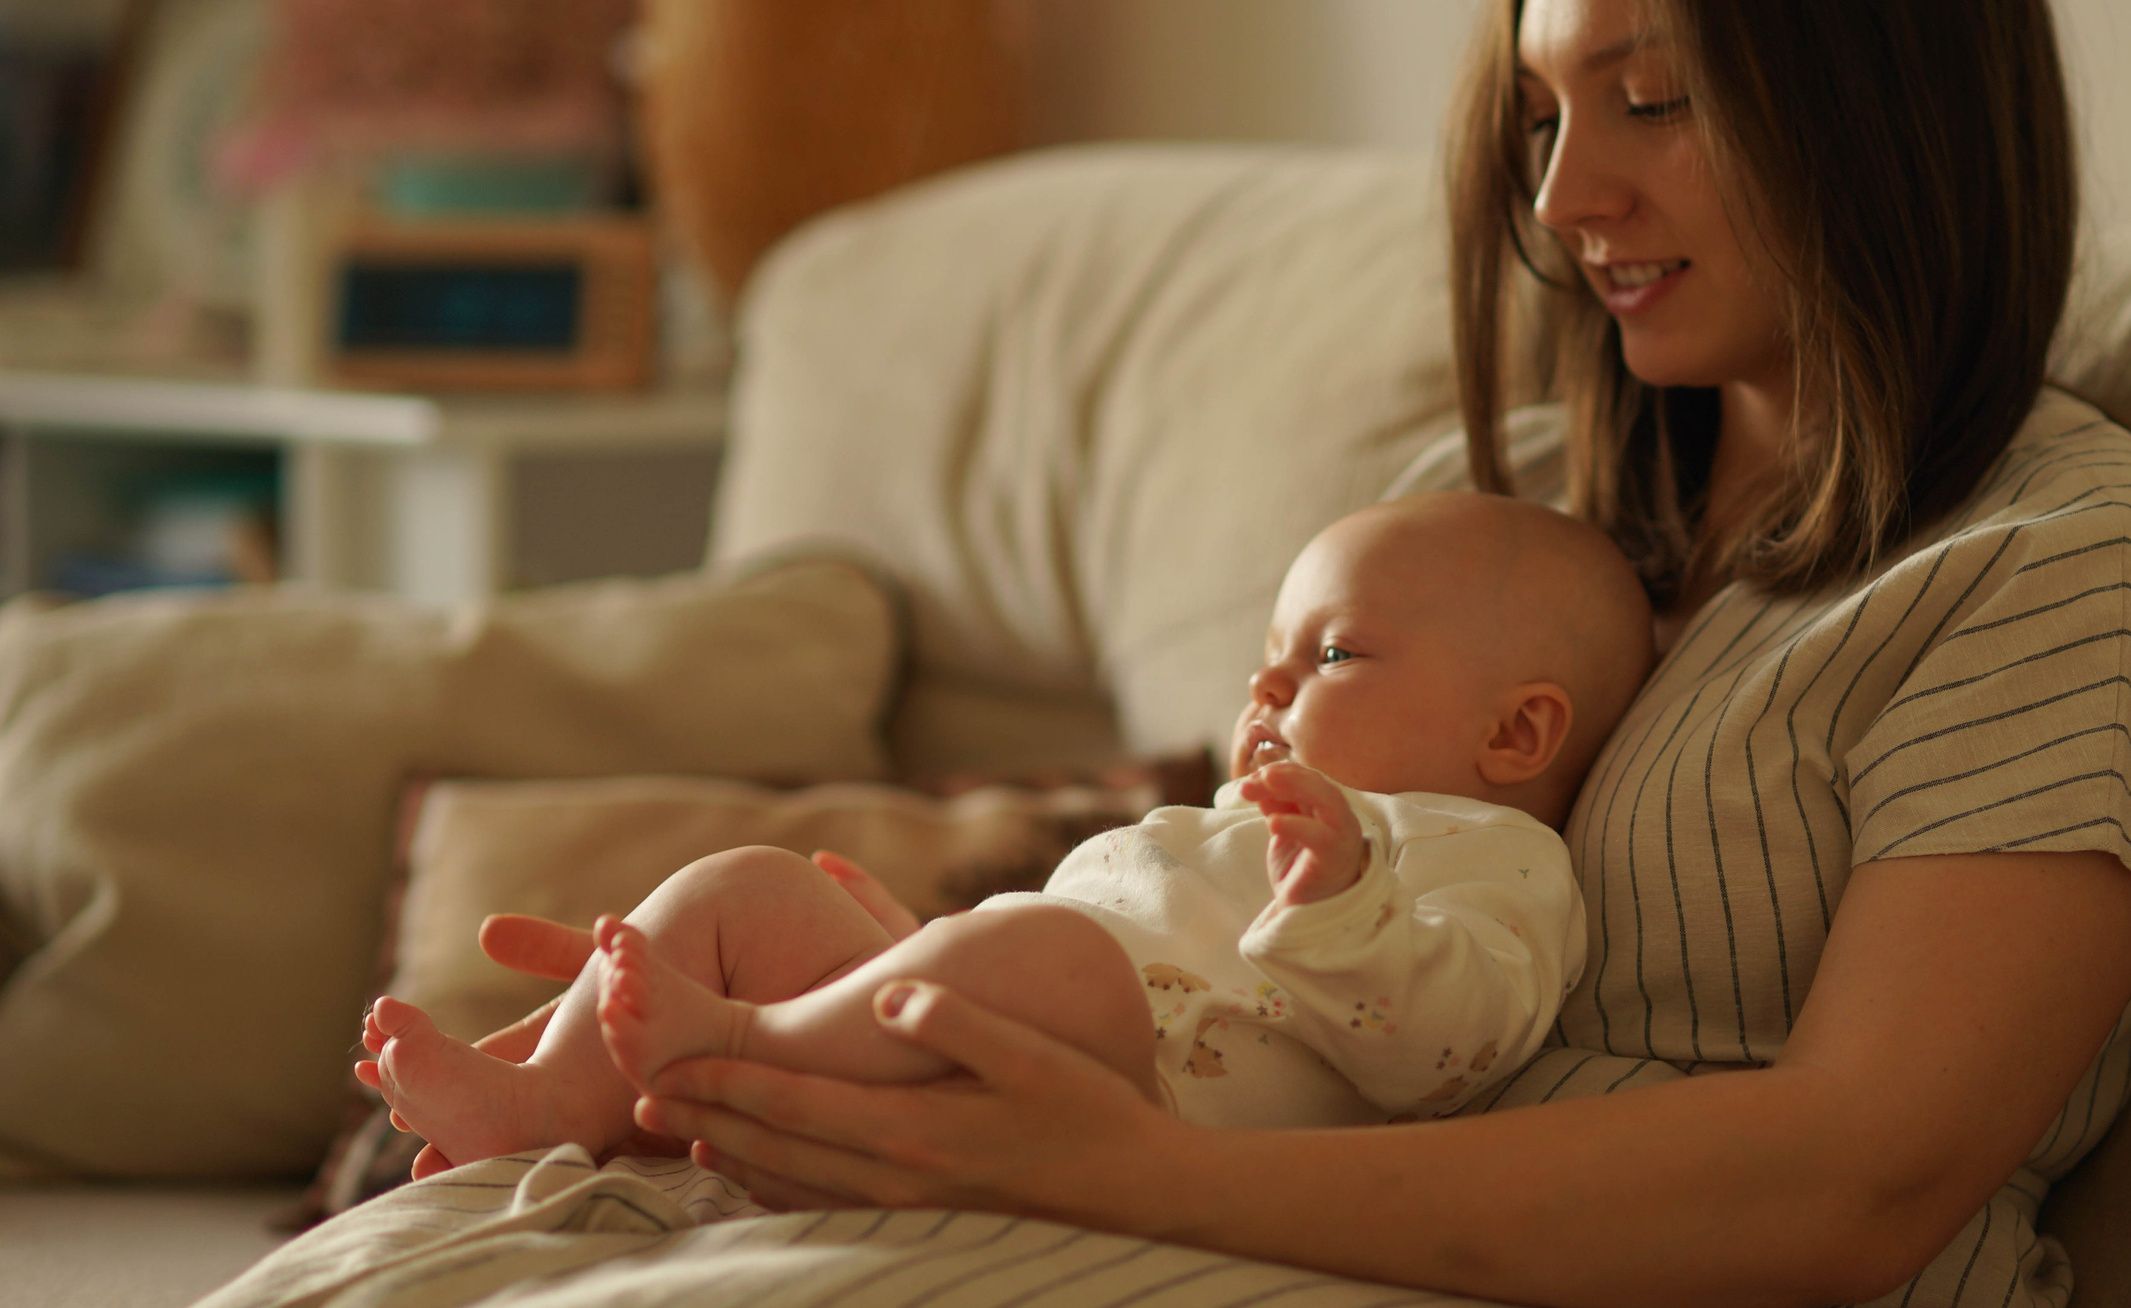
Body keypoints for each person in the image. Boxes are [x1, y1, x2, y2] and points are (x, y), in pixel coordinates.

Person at [342, 0, 2131, 1308]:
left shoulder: (2068, 571)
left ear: (1886, 99)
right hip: (1225, 1184)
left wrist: (1160, 1182)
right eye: (1537, 115)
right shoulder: (1507, 502)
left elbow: (1856, 1180)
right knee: (393, 1300)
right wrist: (898, 1016)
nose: (1568, 195)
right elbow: (1216, 906)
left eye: (1655, 100)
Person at [357, 491, 1657, 1165]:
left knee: (1044, 958)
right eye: (1266, 657)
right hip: (1010, 1015)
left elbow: (1452, 1047)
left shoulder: (1490, 861)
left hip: (1138, 1114)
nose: (1266, 691)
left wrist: (1344, 897)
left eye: (1333, 653)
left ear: (1516, 737)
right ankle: (556, 1100)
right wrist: (908, 946)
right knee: (741, 888)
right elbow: (1082, 946)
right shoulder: (1226, 827)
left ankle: (741, 1051)